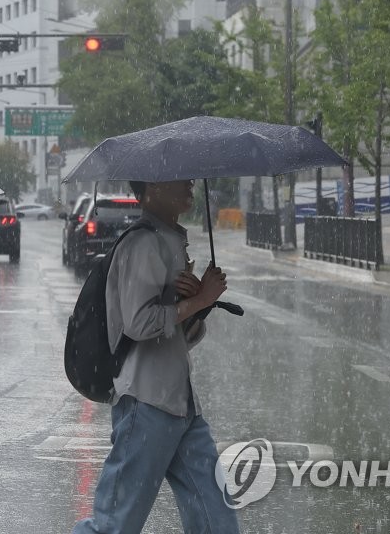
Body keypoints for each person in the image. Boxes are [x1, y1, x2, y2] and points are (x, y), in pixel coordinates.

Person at [73, 179, 240, 534]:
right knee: (114, 525)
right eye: (177, 177)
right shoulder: (143, 242)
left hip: (179, 404)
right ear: (151, 190)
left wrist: (194, 305)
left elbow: (177, 336)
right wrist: (199, 300)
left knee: (216, 518)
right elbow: (138, 323)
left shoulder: (169, 240)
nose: (190, 182)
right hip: (146, 402)